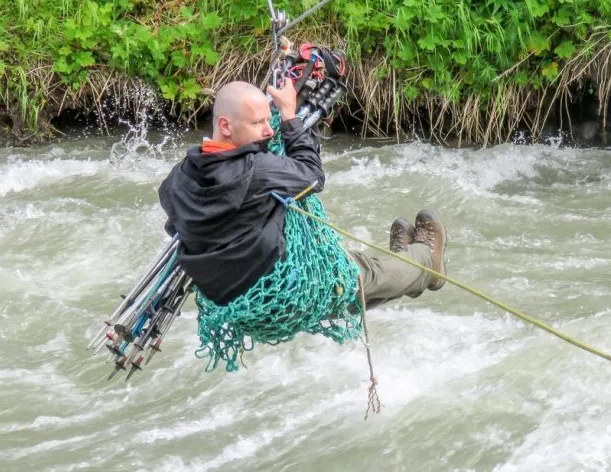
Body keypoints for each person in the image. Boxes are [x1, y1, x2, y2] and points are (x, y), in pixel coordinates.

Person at [157, 79, 448, 311]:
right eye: (258, 123)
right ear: (225, 125)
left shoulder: (177, 179)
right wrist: (288, 116)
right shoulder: (257, 170)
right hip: (284, 289)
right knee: (365, 275)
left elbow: (177, 225)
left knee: (354, 290)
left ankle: (410, 265)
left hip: (234, 302)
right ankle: (425, 260)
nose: (269, 131)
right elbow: (312, 175)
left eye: (268, 121)